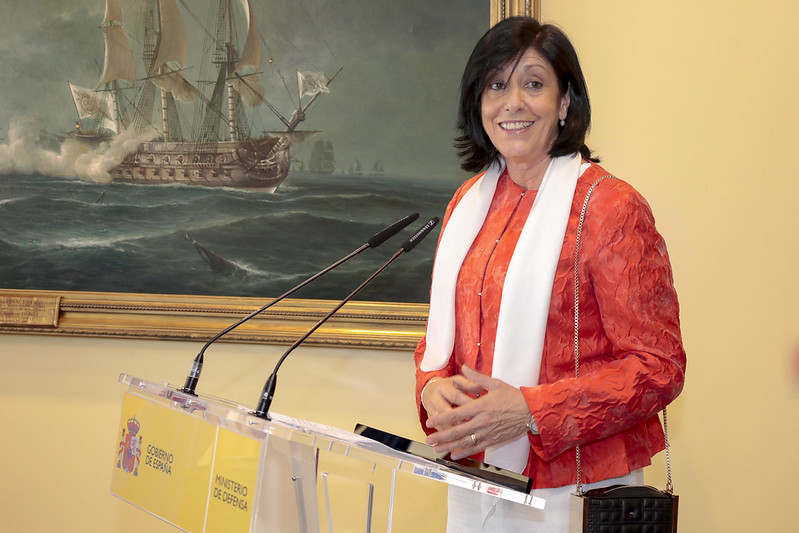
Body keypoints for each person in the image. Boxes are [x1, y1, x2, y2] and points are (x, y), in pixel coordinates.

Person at [414, 16, 686, 532]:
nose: (512, 102)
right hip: (474, 477)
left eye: (533, 84)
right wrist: (431, 388)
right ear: (478, 102)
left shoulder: (609, 207)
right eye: (496, 85)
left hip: (577, 489)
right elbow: (440, 345)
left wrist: (531, 410)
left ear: (565, 103)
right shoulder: (465, 206)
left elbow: (659, 367)